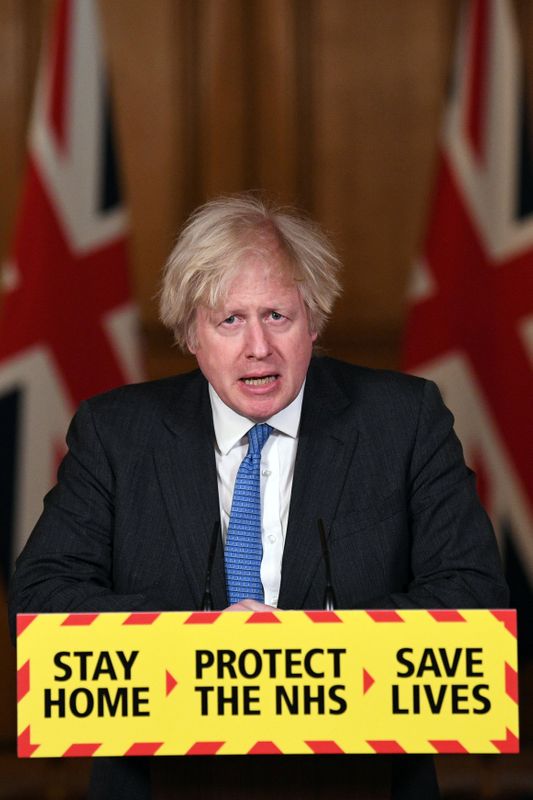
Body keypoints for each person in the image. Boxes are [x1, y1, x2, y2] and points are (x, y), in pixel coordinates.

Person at [9, 195, 508, 799]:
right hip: (164, 785)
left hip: (358, 785)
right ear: (192, 333)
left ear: (314, 320)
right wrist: (202, 649)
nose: (258, 347)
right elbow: (42, 601)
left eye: (277, 315)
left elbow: (474, 598)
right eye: (229, 320)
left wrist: (307, 655)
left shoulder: (403, 422)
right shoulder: (117, 435)